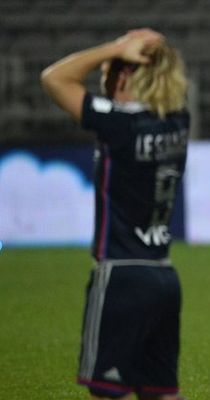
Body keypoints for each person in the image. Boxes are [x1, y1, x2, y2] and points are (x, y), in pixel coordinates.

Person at [41, 29, 189, 400]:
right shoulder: (178, 122)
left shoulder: (118, 124)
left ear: (124, 75)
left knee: (110, 391)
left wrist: (116, 48)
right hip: (164, 277)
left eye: (109, 69)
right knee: (161, 392)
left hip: (121, 276)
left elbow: (54, 77)